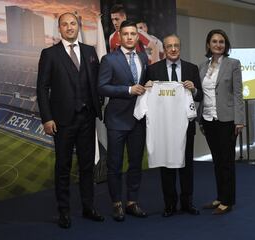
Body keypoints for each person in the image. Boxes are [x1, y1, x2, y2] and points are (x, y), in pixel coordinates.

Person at [36, 12, 104, 229]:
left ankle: (88, 207)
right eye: (64, 24)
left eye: (73, 23)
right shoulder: (49, 54)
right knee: (63, 167)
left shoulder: (89, 51)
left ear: (78, 26)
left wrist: (97, 103)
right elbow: (42, 88)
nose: (69, 27)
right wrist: (47, 118)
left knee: (86, 167)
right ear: (59, 29)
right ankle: (63, 211)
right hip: (63, 121)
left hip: (87, 118)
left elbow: (96, 81)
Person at [145, 34, 202, 217]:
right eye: (169, 46)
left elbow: (200, 95)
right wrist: (147, 86)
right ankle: (169, 204)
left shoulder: (191, 69)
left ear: (180, 47)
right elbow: (145, 93)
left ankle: (187, 202)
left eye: (176, 45)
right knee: (166, 166)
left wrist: (193, 89)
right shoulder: (153, 70)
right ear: (164, 49)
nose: (173, 49)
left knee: (187, 167)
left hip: (186, 127)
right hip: (163, 128)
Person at [98, 20, 149, 222]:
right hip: (117, 120)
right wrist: (128, 90)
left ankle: (132, 202)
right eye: (125, 34)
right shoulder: (109, 59)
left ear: (137, 37)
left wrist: (149, 84)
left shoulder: (144, 58)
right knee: (115, 165)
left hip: (138, 119)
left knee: (136, 164)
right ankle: (117, 203)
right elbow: (102, 87)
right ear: (119, 36)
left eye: (133, 34)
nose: (129, 37)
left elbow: (144, 85)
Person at [198, 29, 245, 215]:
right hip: (208, 119)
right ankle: (219, 197)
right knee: (217, 161)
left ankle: (228, 200)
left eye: (222, 42)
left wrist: (239, 120)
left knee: (227, 162)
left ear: (226, 45)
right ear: (208, 44)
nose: (218, 44)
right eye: (215, 41)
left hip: (227, 120)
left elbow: (238, 93)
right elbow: (201, 94)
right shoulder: (202, 66)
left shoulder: (233, 64)